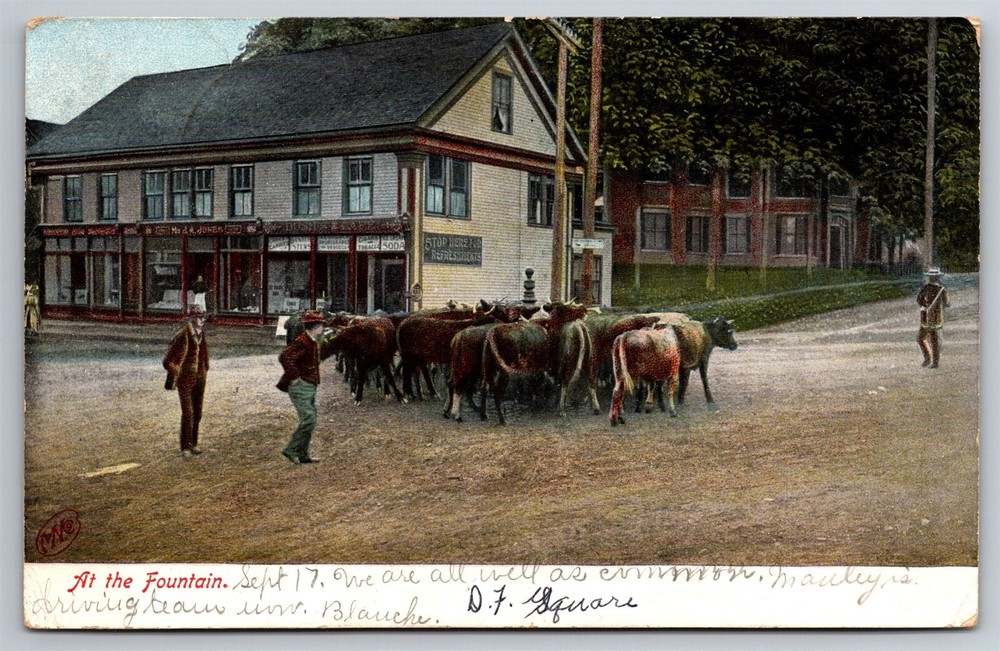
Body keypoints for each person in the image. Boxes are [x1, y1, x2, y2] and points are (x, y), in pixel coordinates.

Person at [276, 309, 330, 465]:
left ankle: (303, 454)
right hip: (301, 385)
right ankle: (291, 450)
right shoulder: (303, 341)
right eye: (321, 324)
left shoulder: (311, 339)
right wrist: (295, 378)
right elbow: (284, 357)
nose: (323, 327)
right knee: (309, 419)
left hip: (309, 384)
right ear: (314, 325)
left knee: (310, 419)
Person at [163, 306, 210, 457]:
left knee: (197, 412)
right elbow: (167, 360)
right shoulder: (182, 335)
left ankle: (194, 443)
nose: (202, 320)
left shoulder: (201, 335)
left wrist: (203, 370)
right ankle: (185, 447)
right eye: (199, 317)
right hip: (185, 380)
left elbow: (203, 355)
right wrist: (178, 371)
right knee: (188, 413)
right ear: (192, 319)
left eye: (203, 317)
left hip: (200, 377)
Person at [917, 267, 950, 369]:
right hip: (936, 318)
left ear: (930, 278)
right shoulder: (942, 290)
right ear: (938, 278)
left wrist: (925, 306)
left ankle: (927, 358)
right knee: (934, 340)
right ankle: (935, 362)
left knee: (921, 338)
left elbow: (919, 300)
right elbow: (947, 303)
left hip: (926, 317)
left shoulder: (925, 288)